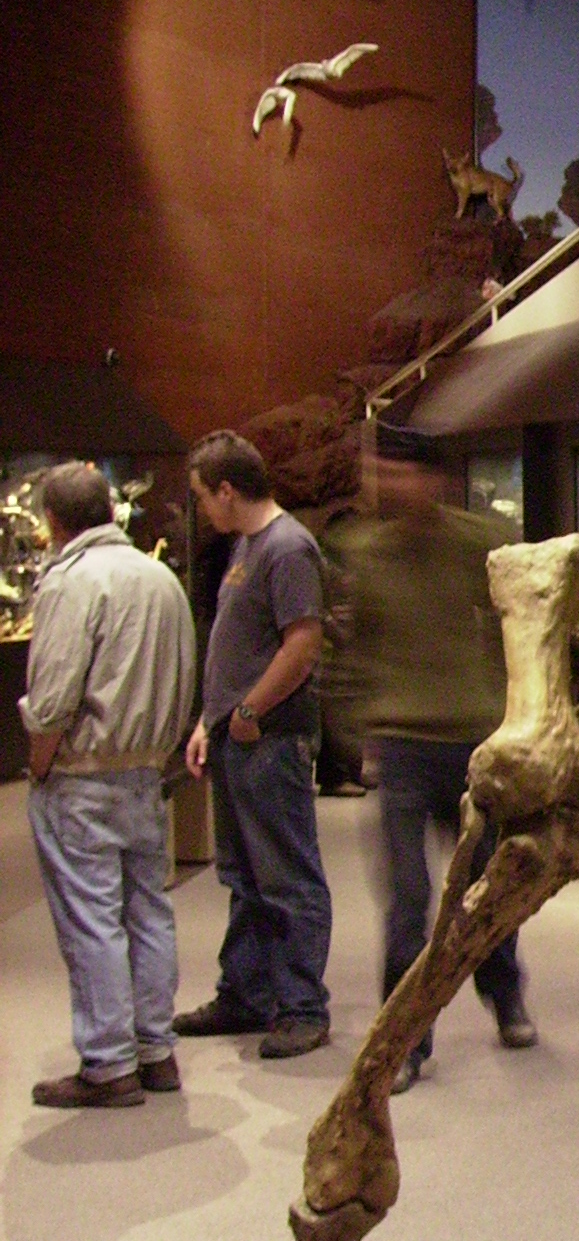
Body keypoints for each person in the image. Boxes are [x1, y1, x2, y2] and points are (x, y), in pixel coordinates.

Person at [327, 425, 536, 1085]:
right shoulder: (361, 552)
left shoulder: (483, 543)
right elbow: (344, 652)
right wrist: (354, 736)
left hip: (474, 746)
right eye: (376, 473)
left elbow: (523, 626)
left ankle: (506, 998)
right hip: (402, 749)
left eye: (396, 472)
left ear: (434, 479)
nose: (384, 486)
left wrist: (516, 717)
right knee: (408, 901)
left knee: (486, 892)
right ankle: (408, 1040)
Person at [20, 463, 197, 1109]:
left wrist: (40, 764)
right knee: (148, 911)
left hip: (84, 775)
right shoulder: (161, 580)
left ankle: (108, 1063)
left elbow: (53, 696)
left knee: (92, 918)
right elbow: (184, 675)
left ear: (54, 520)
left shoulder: (71, 581)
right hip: (147, 770)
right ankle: (156, 1050)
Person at [175, 431, 334, 1058]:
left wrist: (247, 710)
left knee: (287, 876)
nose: (201, 511)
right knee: (244, 874)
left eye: (202, 498)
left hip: (270, 738)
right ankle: (246, 993)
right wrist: (207, 723)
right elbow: (237, 645)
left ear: (227, 490)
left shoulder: (288, 547)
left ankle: (301, 1006)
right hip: (238, 737)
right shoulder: (248, 546)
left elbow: (302, 644)